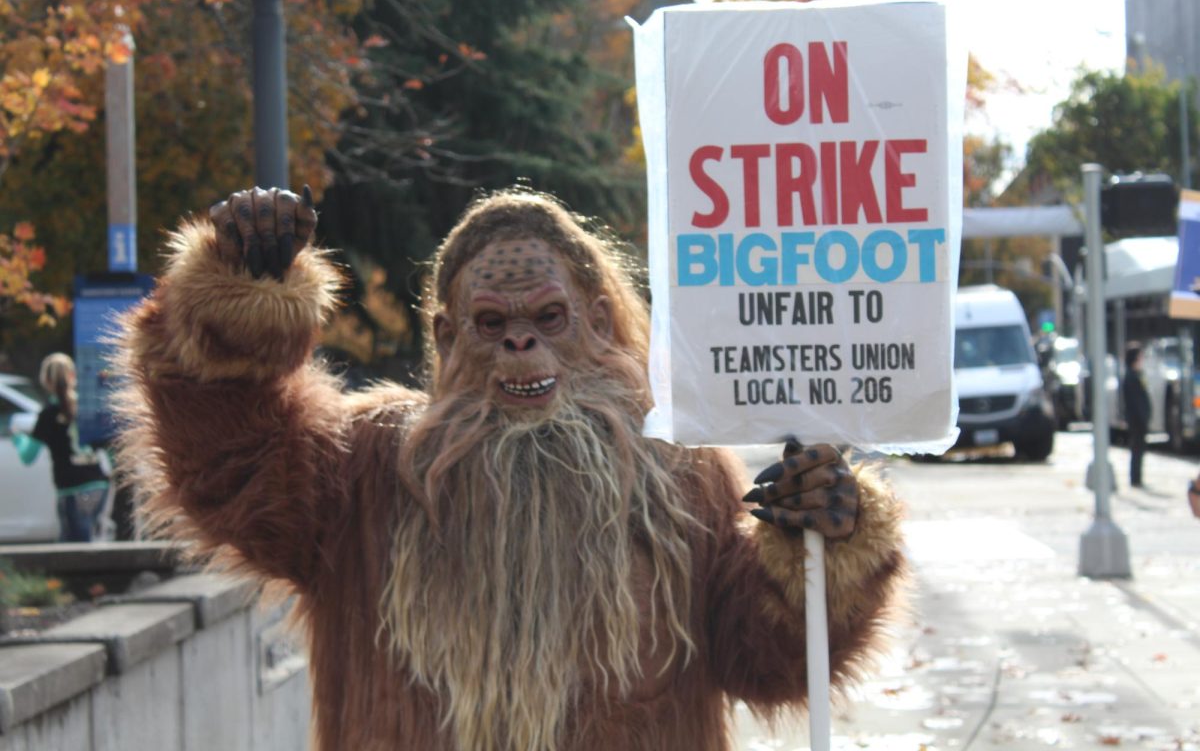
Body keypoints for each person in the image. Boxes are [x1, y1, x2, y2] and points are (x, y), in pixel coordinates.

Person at [112, 186, 907, 751]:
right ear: (448, 337)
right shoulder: (367, 465)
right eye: (492, 324)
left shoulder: (683, 475)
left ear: (597, 320)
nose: (519, 345)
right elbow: (226, 462)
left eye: (547, 319)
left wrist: (826, 549)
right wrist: (241, 295)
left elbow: (769, 660)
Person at [12, 353, 110, 541]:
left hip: (71, 488)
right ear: (73, 376)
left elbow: (28, 457)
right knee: (94, 544)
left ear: (46, 381)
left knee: (75, 550)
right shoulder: (86, 406)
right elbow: (107, 445)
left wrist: (18, 439)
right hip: (99, 484)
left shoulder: (47, 415)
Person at [1122, 343, 1150, 489]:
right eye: (1140, 357)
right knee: (1137, 449)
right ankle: (1135, 479)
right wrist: (1143, 417)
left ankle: (1137, 478)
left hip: (1138, 419)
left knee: (1139, 449)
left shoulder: (1136, 375)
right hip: (1136, 420)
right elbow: (1135, 402)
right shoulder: (1131, 377)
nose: (1142, 360)